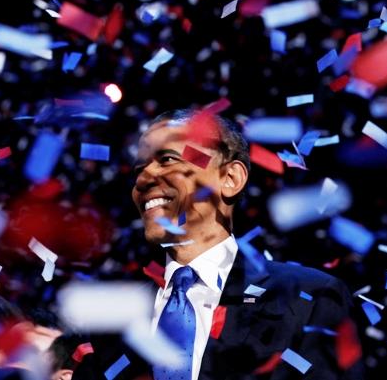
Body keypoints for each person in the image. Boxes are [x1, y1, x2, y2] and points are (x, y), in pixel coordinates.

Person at [76, 109, 364, 380]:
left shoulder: (308, 297)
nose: (144, 178)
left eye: (166, 159)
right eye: (139, 168)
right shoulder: (110, 324)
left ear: (230, 178)